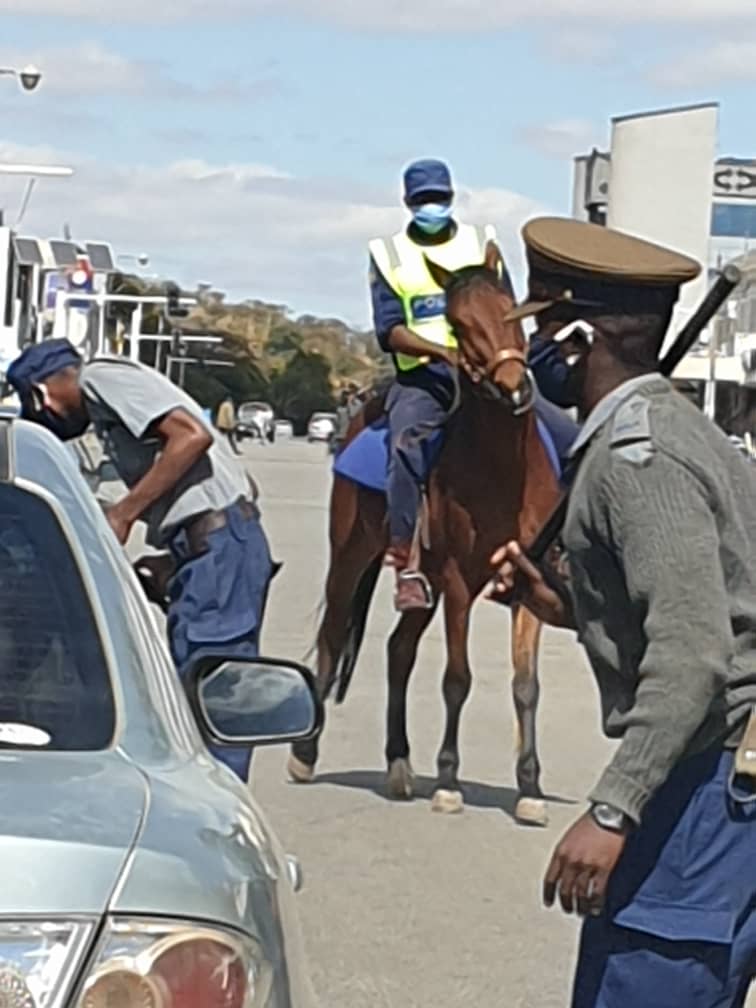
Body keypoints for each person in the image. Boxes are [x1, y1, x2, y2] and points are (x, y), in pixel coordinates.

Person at [489, 217, 756, 1007]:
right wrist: (563, 604)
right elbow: (710, 602)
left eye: (542, 328)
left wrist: (613, 809)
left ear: (577, 336)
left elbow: (695, 650)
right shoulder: (677, 431)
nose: (536, 349)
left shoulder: (637, 459)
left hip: (709, 780)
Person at [7, 339, 274, 784]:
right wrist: (181, 551)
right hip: (214, 549)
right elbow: (233, 480)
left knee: (214, 694)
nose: (59, 424)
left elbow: (193, 436)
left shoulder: (100, 378)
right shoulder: (113, 405)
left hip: (223, 552)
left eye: (47, 416)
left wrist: (125, 513)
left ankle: (220, 811)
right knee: (192, 692)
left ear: (42, 394)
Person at [369, 157, 500, 611]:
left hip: (486, 374)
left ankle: (552, 549)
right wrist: (442, 352)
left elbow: (503, 307)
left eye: (439, 199)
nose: (432, 207)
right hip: (425, 379)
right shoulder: (389, 254)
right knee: (406, 443)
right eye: (423, 200)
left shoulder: (481, 243)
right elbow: (389, 329)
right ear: (408, 203)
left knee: (553, 433)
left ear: (451, 197)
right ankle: (405, 558)